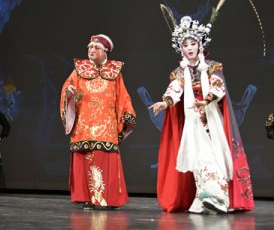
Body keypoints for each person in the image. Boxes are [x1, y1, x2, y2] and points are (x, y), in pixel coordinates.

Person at [150, 15, 255, 214]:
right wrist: (165, 102)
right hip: (193, 120)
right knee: (197, 159)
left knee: (212, 156)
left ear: (200, 45)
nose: (189, 48)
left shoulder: (212, 66)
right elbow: (175, 88)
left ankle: (218, 198)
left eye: (192, 43)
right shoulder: (180, 72)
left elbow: (218, 86)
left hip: (211, 119)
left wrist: (205, 101)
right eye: (185, 45)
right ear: (180, 48)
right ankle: (202, 198)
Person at [59, 34, 137, 209]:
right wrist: (68, 93)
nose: (91, 50)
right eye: (90, 47)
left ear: (106, 51)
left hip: (106, 125)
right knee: (84, 158)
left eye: (96, 47)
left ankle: (109, 199)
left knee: (105, 159)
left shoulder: (115, 72)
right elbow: (67, 88)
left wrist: (127, 114)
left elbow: (123, 97)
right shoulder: (79, 69)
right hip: (83, 124)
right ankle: (87, 198)